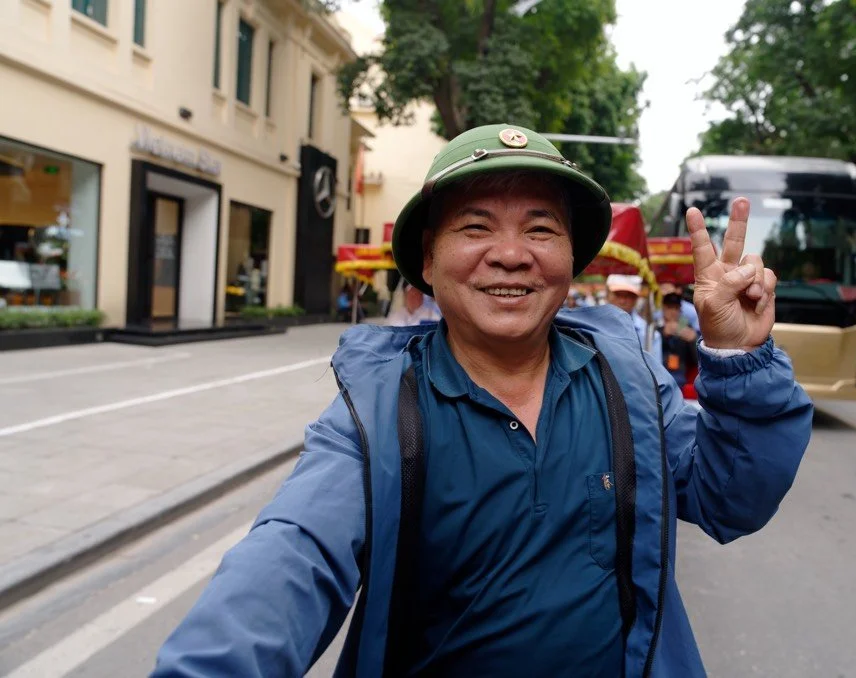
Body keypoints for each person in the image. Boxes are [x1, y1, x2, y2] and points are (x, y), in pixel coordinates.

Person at [151, 124, 813, 677]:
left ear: (571, 259)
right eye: (475, 227)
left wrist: (738, 359)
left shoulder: (630, 381)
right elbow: (289, 560)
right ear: (428, 263)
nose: (511, 255)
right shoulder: (377, 416)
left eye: (541, 229)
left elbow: (731, 498)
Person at [605, 273, 662, 359]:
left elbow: (655, 365)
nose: (622, 301)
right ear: (608, 296)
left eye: (628, 296)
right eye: (618, 295)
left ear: (636, 299)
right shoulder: (596, 326)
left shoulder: (649, 334)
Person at [660, 292, 699, 389]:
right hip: (659, 375)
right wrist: (663, 334)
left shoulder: (685, 326)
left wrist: (693, 340)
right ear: (663, 308)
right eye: (670, 308)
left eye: (676, 308)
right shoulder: (655, 325)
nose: (673, 312)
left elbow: (696, 360)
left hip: (679, 378)